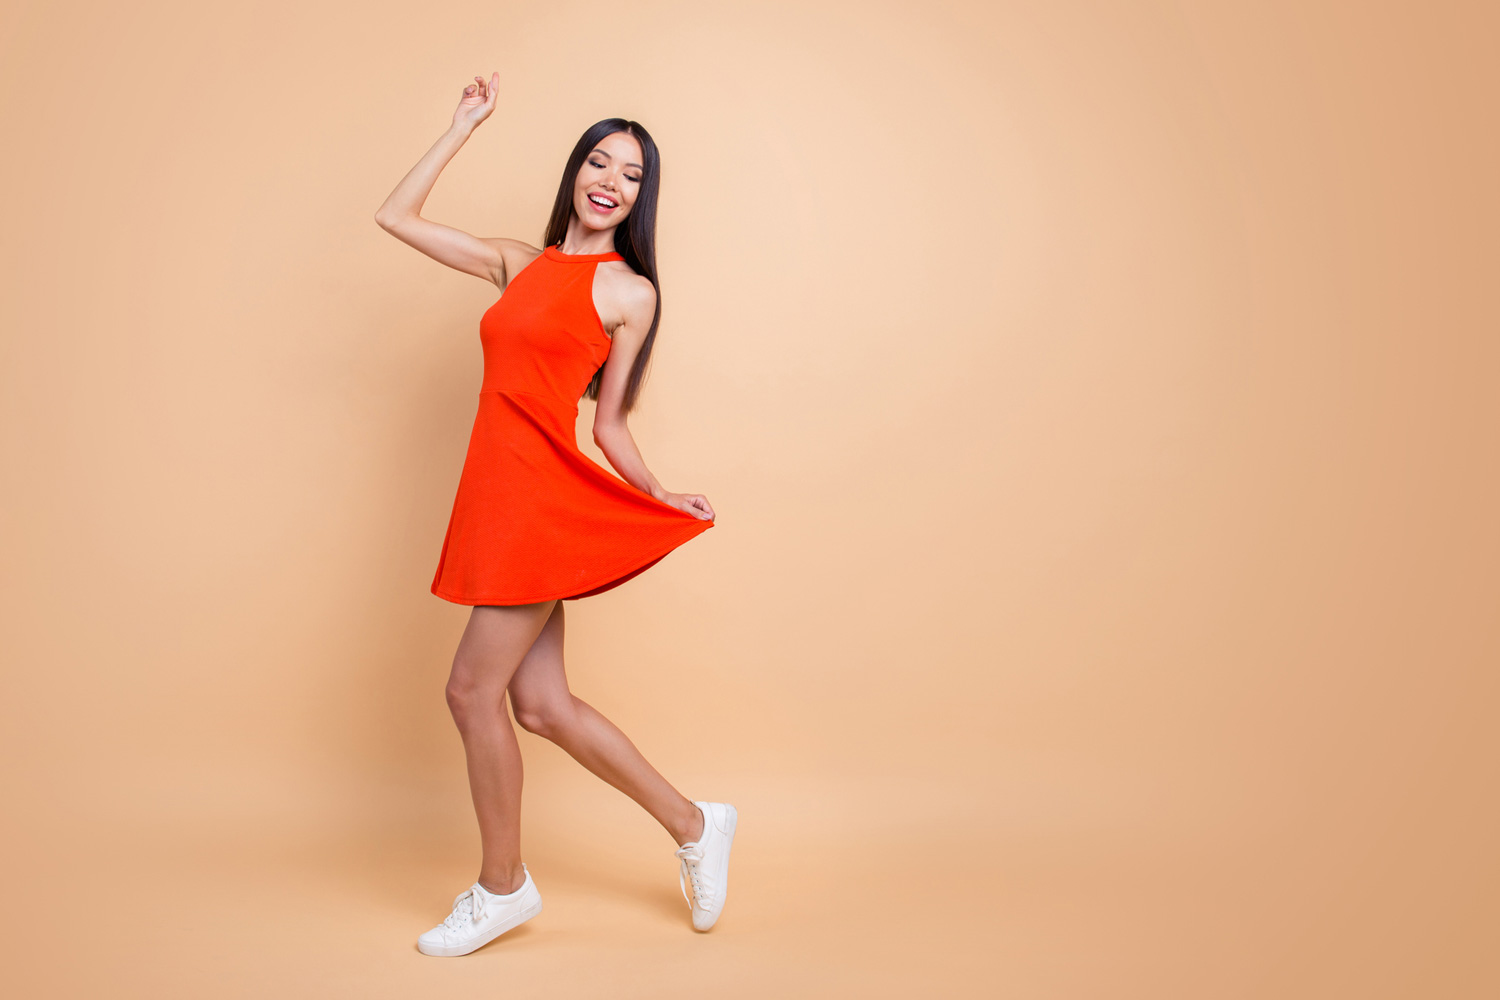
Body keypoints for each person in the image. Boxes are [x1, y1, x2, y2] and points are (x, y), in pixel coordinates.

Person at [375, 72, 737, 957]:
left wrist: (655, 494)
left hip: (537, 501)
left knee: (471, 692)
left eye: (634, 174)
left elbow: (608, 420)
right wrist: (462, 124)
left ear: (642, 197)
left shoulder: (629, 293)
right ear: (577, 171)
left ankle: (503, 887)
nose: (613, 180)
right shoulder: (517, 262)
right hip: (495, 492)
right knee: (540, 706)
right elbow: (397, 216)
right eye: (600, 162)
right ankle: (696, 823)